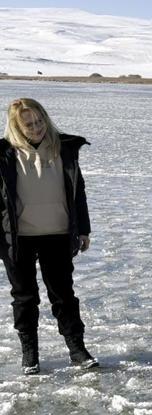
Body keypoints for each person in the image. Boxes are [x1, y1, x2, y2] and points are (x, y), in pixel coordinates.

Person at [0, 98, 98, 375]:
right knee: (25, 297)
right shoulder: (4, 154)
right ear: (16, 127)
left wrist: (83, 229)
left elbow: (78, 192)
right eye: (28, 124)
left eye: (40, 121)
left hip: (57, 233)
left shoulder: (65, 148)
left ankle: (77, 349)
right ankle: (30, 353)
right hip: (18, 239)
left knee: (64, 296)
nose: (36, 128)